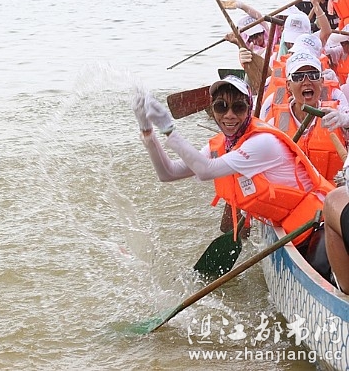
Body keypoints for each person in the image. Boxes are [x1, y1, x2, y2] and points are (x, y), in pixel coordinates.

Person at [133, 76, 333, 274]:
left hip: (322, 224)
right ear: (212, 110)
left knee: (329, 276)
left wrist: (169, 129)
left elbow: (205, 170)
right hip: (294, 228)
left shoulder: (262, 142)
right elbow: (168, 173)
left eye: (238, 107)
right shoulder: (222, 145)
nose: (229, 115)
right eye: (221, 107)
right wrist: (147, 132)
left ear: (249, 109)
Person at [264, 51, 349, 184]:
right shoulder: (273, 122)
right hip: (295, 194)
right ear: (288, 85)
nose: (307, 82)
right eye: (298, 77)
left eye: (313, 75)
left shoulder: (336, 115)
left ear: (322, 81)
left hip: (332, 193)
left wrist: (346, 122)